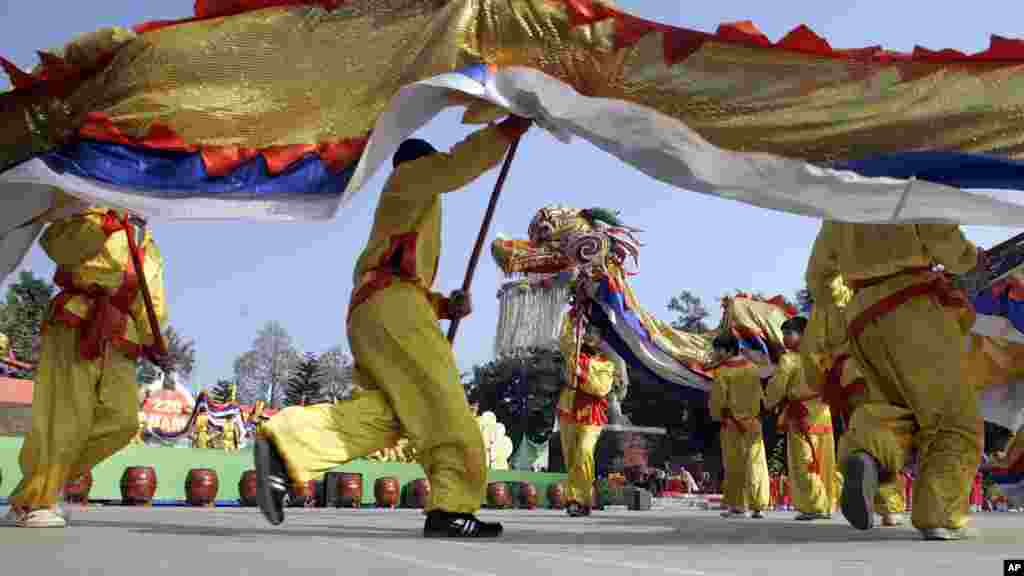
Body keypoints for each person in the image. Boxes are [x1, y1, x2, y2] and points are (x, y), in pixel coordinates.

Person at [253, 114, 531, 538]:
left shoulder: (407, 205)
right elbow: (458, 164)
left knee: (393, 414)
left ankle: (287, 445)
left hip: (378, 308)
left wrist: (442, 305)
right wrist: (505, 131)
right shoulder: (411, 177)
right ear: (422, 161)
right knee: (443, 404)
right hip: (393, 307)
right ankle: (452, 507)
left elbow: (404, 273)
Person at [806, 220, 982, 540]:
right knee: (952, 419)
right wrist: (970, 257)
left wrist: (842, 303)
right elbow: (948, 244)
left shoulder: (840, 203)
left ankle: (868, 452)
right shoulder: (912, 186)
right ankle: (939, 514)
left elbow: (818, 279)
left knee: (897, 407)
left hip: (862, 316)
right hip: (913, 306)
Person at [3, 207, 168, 528]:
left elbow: (152, 300)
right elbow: (56, 245)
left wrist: (155, 341)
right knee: (65, 417)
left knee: (123, 421)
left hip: (121, 331)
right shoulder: (89, 213)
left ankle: (33, 492)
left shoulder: (148, 243)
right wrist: (103, 225)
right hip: (77, 319)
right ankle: (38, 500)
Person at [764, 316, 836, 521]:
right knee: (824, 460)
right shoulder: (823, 356)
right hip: (823, 413)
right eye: (783, 333)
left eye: (789, 333)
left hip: (801, 414)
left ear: (802, 334)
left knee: (803, 462)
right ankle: (827, 504)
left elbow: (777, 387)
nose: (785, 338)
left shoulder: (789, 359)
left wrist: (768, 403)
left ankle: (814, 505)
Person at [556, 316, 617, 517]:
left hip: (591, 414)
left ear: (600, 339)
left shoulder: (607, 364)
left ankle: (583, 498)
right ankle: (574, 499)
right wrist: (573, 318)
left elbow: (601, 388)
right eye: (587, 331)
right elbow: (564, 338)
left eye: (593, 333)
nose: (589, 336)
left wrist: (582, 374)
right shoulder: (573, 353)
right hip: (568, 410)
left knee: (584, 452)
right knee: (571, 457)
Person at [708, 333, 770, 518]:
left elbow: (718, 400)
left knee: (734, 464)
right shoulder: (752, 368)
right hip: (753, 423)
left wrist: (717, 415)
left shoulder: (723, 371)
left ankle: (738, 506)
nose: (715, 354)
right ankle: (758, 505)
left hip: (732, 425)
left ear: (727, 350)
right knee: (755, 463)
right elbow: (761, 396)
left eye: (718, 350)